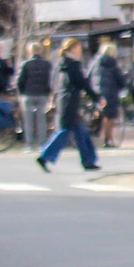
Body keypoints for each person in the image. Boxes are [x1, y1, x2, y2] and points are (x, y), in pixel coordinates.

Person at [33, 38, 101, 172]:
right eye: (78, 47)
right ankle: (44, 156)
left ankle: (88, 160)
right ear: (73, 48)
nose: (80, 50)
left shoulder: (60, 63)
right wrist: (96, 97)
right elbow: (81, 82)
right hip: (70, 101)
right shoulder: (73, 64)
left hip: (63, 100)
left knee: (80, 131)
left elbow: (54, 83)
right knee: (65, 131)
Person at [16, 42, 54, 150]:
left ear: (29, 51)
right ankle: (42, 144)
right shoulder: (47, 64)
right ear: (40, 50)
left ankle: (28, 144)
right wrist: (49, 91)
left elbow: (19, 81)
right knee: (41, 119)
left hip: (28, 94)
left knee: (28, 120)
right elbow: (50, 80)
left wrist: (22, 92)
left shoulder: (25, 64)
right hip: (42, 94)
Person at [92, 42, 126, 147]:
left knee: (99, 114)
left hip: (96, 91)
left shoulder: (95, 62)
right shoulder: (113, 63)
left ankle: (96, 136)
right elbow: (120, 80)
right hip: (110, 92)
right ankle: (107, 140)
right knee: (109, 117)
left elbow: (88, 75)